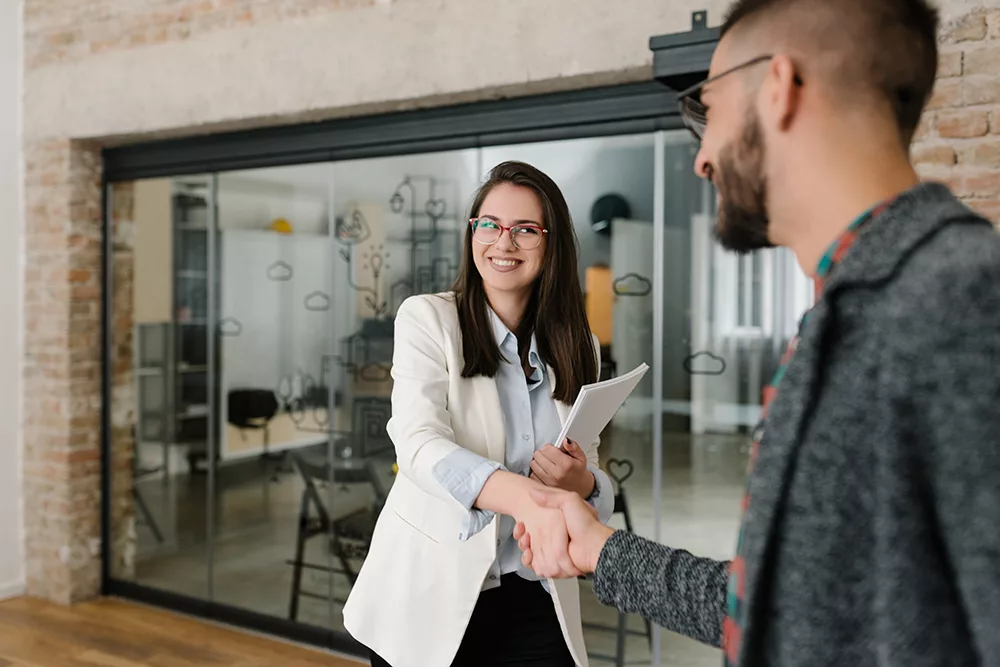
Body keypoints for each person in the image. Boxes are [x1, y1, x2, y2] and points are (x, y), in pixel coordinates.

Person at [514, 0, 1000, 666]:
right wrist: (600, 548)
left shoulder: (964, 300)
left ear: (778, 87)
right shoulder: (849, 312)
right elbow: (781, 608)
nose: (702, 158)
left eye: (708, 110)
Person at [342, 160, 615, 667]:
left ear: (552, 244)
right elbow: (418, 444)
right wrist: (528, 497)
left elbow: (588, 462)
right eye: (488, 225)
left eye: (525, 230)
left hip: (538, 590)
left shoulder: (581, 346)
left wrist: (584, 484)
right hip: (433, 592)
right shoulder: (428, 319)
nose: (502, 243)